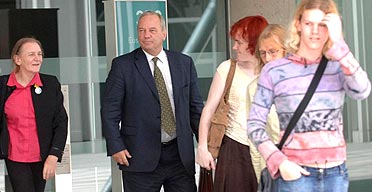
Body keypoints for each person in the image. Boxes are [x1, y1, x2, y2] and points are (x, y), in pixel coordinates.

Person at [247, 0, 371, 192]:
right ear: (298, 25)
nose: (315, 31)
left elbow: (362, 91)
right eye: (308, 24)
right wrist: (279, 162)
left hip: (335, 173)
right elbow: (254, 124)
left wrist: (339, 45)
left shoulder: (338, 65)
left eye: (323, 25)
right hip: (294, 174)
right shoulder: (274, 70)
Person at [101, 11, 204, 192]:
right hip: (139, 156)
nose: (146, 35)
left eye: (152, 30)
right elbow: (109, 111)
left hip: (179, 155)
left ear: (164, 33)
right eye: (141, 30)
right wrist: (115, 146)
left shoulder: (183, 63)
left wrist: (206, 144)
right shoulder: (123, 66)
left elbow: (195, 109)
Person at [196, 15, 274, 192]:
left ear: (254, 43)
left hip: (266, 149)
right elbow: (208, 110)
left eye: (239, 42)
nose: (234, 47)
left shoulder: (272, 71)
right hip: (233, 148)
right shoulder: (227, 69)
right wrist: (202, 147)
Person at [0, 37, 68, 192]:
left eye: (40, 54)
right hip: (15, 157)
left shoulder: (50, 84)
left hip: (41, 157)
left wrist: (54, 155)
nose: (37, 58)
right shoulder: (3, 86)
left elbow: (61, 122)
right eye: (31, 54)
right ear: (18, 59)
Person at [248, 24, 287, 179]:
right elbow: (254, 141)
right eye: (263, 53)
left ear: (287, 50)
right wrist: (261, 177)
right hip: (274, 168)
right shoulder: (254, 88)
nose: (268, 58)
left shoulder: (303, 81)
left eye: (273, 51)